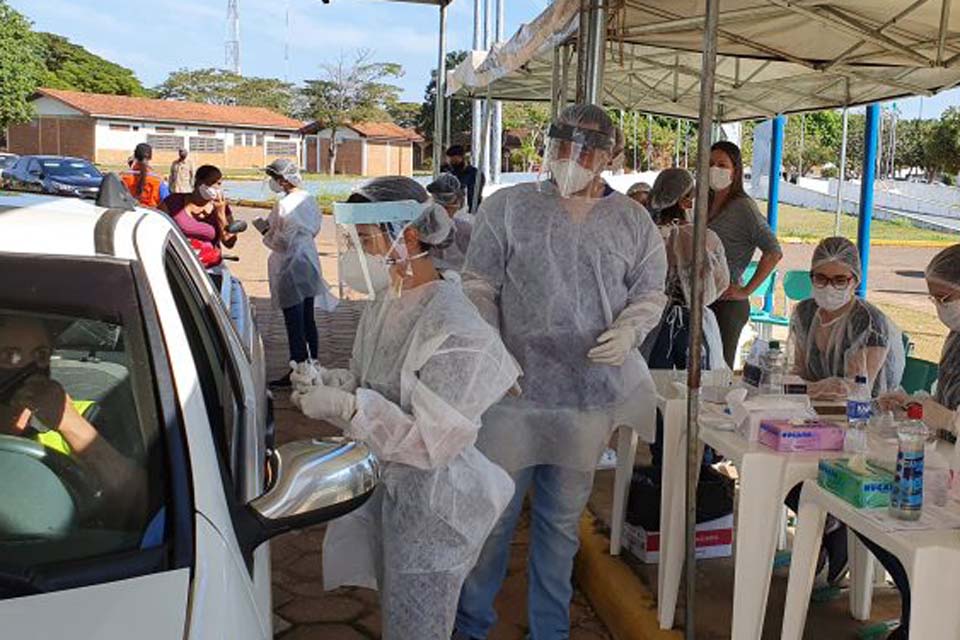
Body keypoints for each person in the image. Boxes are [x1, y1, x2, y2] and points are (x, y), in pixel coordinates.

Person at [453, 104, 667, 639]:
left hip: (586, 398)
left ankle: (549, 631)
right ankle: (471, 625)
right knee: (492, 521)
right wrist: (494, 349)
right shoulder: (508, 208)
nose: (575, 159)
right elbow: (478, 283)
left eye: (589, 150)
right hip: (513, 393)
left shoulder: (632, 222)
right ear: (548, 148)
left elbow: (650, 291)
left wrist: (630, 331)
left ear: (610, 156)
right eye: (565, 147)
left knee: (559, 526)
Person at [290, 176, 520, 640]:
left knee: (419, 627)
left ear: (408, 235)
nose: (358, 251)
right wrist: (337, 385)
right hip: (391, 492)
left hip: (434, 510)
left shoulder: (455, 328)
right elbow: (376, 382)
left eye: (366, 239)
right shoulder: (388, 301)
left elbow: (431, 443)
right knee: (398, 616)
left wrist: (351, 407)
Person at [868, 243, 960, 640]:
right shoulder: (955, 338)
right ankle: (915, 616)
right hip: (949, 462)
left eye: (946, 297)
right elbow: (948, 405)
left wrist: (949, 418)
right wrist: (915, 406)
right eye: (933, 297)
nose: (940, 307)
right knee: (881, 521)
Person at [0, 314, 145, 515]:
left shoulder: (90, 416)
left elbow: (140, 503)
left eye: (41, 355)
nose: (28, 369)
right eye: (10, 356)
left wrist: (70, 424)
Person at [789, 236, 905, 399]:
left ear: (855, 281)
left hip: (863, 414)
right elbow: (799, 371)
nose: (829, 287)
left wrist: (806, 389)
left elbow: (858, 390)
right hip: (812, 407)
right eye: (821, 278)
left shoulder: (869, 323)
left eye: (840, 280)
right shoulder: (804, 313)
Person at [641, 168, 729, 372]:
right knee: (696, 388)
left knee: (655, 384)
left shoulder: (647, 236)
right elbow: (720, 283)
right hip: (696, 326)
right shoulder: (704, 238)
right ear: (686, 202)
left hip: (650, 324)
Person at [706, 141, 783, 368]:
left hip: (727, 302)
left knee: (719, 368)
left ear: (735, 170)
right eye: (710, 164)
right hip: (702, 298)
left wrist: (746, 290)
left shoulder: (743, 207)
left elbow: (773, 251)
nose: (714, 170)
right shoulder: (704, 201)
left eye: (722, 165)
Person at [262, 158, 337, 387]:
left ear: (283, 180)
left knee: (294, 320)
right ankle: (312, 362)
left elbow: (280, 240)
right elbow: (312, 229)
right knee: (307, 318)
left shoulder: (283, 205)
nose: (273, 183)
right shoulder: (309, 199)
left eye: (274, 179)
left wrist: (264, 231)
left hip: (290, 264)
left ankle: (300, 367)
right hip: (308, 260)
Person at [161, 164, 237, 249]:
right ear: (199, 183)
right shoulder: (174, 201)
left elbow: (229, 243)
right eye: (211, 183)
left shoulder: (221, 206)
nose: (216, 188)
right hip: (179, 259)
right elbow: (156, 226)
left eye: (219, 184)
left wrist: (220, 214)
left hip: (209, 260)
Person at [425, 173, 473, 271]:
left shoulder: (424, 225)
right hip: (463, 281)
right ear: (459, 200)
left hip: (430, 278)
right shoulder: (466, 227)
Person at [120, 143, 170, 209]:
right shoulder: (157, 180)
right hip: (151, 215)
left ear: (135, 155)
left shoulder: (123, 177)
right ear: (150, 157)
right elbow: (168, 203)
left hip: (127, 214)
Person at [443, 145, 485, 213]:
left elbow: (474, 198)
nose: (451, 162)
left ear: (461, 157)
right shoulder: (451, 173)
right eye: (450, 159)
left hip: (469, 212)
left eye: (454, 159)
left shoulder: (475, 174)